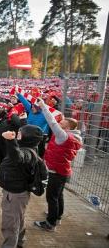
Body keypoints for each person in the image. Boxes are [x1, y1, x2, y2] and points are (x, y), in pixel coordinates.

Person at [34, 98, 82, 232]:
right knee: (59, 195)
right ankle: (57, 216)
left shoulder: (64, 136)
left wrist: (43, 106)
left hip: (57, 172)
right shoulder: (73, 136)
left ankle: (50, 223)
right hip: (63, 171)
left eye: (62, 123)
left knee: (52, 197)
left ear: (67, 127)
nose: (59, 123)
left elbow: (52, 121)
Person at [0, 125, 45, 248]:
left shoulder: (27, 152)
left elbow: (17, 157)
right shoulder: (27, 148)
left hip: (15, 194)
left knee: (10, 224)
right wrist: (11, 141)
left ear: (27, 137)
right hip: (16, 192)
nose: (17, 134)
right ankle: (20, 242)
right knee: (19, 218)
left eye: (20, 133)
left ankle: (10, 245)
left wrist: (10, 140)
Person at [15, 88, 49, 157]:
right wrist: (18, 94)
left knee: (39, 151)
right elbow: (25, 102)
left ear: (39, 108)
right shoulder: (31, 110)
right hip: (28, 134)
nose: (32, 108)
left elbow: (53, 119)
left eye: (34, 107)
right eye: (32, 107)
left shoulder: (45, 115)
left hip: (38, 137)